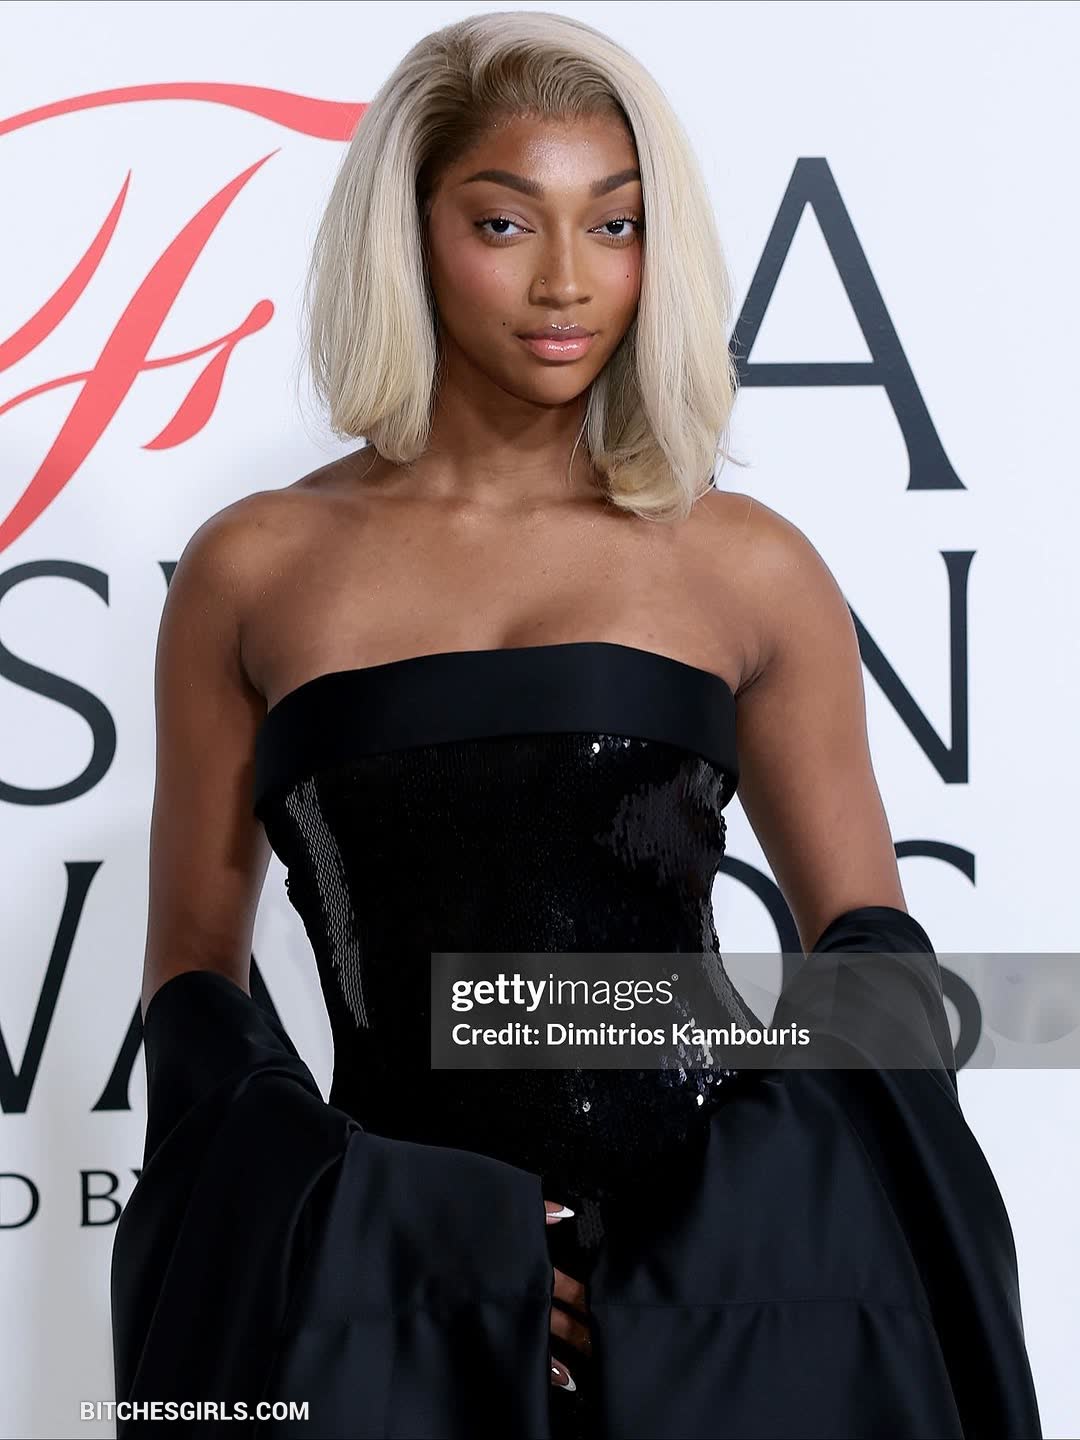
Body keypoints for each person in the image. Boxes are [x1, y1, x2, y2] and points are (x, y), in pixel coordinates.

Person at [110, 10, 1042, 1438]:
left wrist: (704, 1244)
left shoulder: (743, 565)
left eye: (616, 225)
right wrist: (409, 1235)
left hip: (711, 1308)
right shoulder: (256, 569)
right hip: (393, 1317)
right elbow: (195, 985)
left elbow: (868, 964)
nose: (567, 279)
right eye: (505, 222)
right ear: (410, 236)